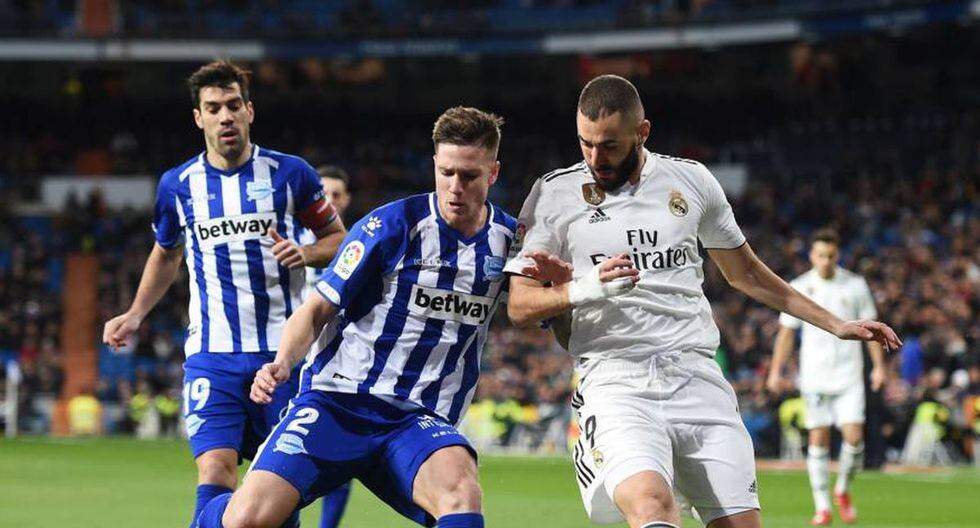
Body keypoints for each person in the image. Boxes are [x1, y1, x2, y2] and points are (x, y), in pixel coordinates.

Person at [504, 74, 901, 528]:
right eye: (585, 143)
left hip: (696, 375)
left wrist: (835, 324)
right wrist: (582, 288)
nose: (596, 158)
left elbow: (746, 273)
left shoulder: (691, 181)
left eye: (610, 145)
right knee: (652, 506)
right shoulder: (554, 194)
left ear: (642, 132)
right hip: (615, 380)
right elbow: (519, 305)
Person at [195, 106, 518, 528]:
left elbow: (532, 309)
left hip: (418, 419)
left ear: (493, 173)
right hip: (338, 401)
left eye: (470, 176)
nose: (455, 187)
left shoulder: (510, 242)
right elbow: (317, 309)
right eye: (446, 172)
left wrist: (566, 285)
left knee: (462, 496)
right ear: (434, 165)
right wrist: (283, 362)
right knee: (247, 520)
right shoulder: (390, 226)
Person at [102, 59, 346, 527]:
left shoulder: (291, 174)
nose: (225, 116)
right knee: (216, 469)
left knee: (276, 487)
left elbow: (340, 239)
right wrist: (135, 313)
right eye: (213, 108)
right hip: (212, 355)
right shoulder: (177, 186)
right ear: (199, 118)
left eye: (233, 105)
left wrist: (306, 252)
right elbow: (166, 253)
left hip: (283, 355)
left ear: (249, 111)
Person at [766, 228, 887, 526]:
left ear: (838, 255)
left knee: (854, 439)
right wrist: (776, 371)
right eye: (820, 255)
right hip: (815, 376)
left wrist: (879, 367)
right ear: (812, 255)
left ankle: (842, 489)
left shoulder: (855, 285)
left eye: (830, 256)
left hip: (849, 374)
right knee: (818, 438)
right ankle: (822, 506)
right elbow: (786, 334)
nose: (825, 261)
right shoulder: (799, 287)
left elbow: (871, 330)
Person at [309, 165, 355, 528]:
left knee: (339, 458)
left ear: (347, 200)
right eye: (323, 194)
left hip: (337, 366)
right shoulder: (293, 245)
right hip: (289, 361)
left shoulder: (363, 244)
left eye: (336, 195)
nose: (330, 201)